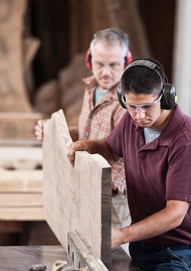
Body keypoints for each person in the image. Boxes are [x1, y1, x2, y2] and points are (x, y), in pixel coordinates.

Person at [67, 58, 191, 271]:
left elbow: (175, 214)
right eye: (132, 106)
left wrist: (121, 234)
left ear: (166, 96)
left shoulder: (187, 142)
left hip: (179, 252)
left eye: (147, 106)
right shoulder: (132, 122)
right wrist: (88, 146)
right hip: (146, 244)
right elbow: (111, 149)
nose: (140, 116)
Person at [35, 28, 132, 228]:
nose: (105, 72)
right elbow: (87, 133)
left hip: (113, 196)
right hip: (88, 187)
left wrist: (107, 188)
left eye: (113, 65)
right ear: (90, 61)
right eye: (100, 64)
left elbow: (128, 154)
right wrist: (53, 132)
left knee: (117, 253)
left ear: (126, 62)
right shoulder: (92, 88)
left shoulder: (128, 103)